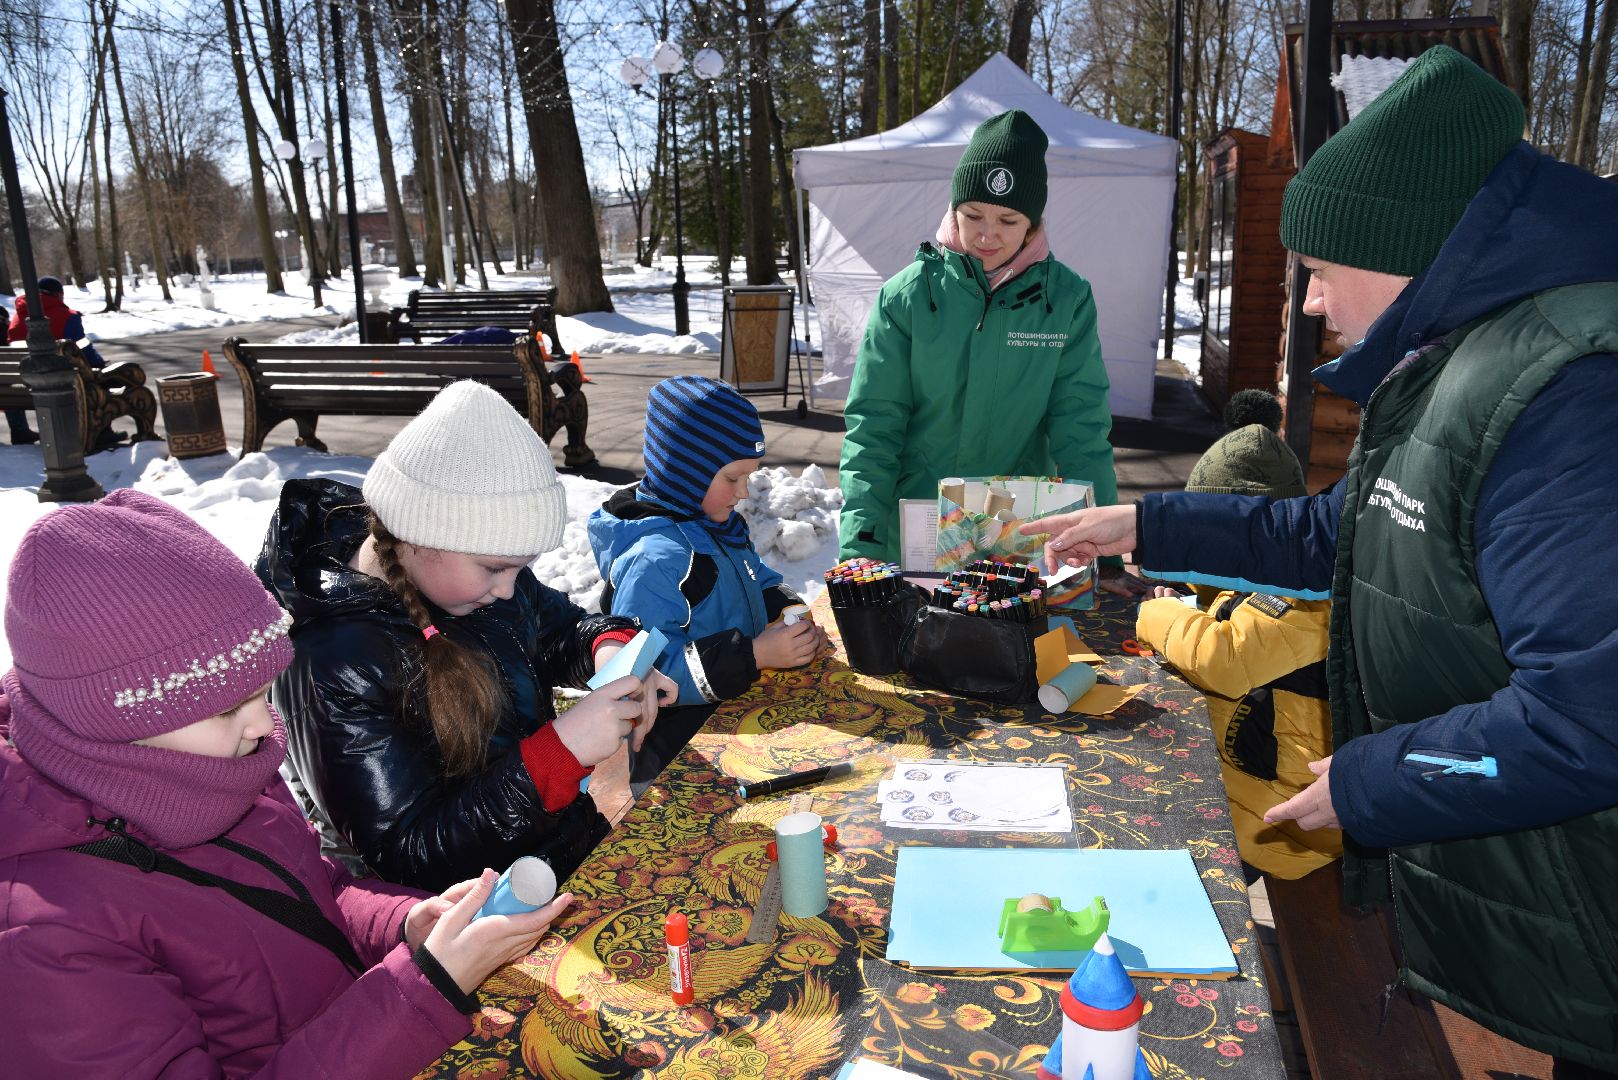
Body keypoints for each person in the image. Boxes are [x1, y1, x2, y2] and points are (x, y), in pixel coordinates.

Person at [1022, 47, 1618, 1075]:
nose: (1306, 304)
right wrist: (1145, 527)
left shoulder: (1567, 398)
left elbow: (1590, 717)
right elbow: (1333, 535)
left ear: (1405, 251)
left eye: (1320, 272)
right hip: (1492, 886)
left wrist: (1374, 781)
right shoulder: (1461, 362)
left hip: (1571, 925)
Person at [0, 489, 573, 1077]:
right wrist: (424, 989)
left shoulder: (214, 764)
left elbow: (315, 892)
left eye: (260, 691)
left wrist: (403, 924)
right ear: (116, 719)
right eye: (226, 708)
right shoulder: (41, 937)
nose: (263, 722)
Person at [258, 380, 676, 893]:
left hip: (550, 855)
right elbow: (406, 854)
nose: (508, 589)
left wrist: (609, 649)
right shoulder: (331, 659)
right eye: (495, 568)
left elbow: (556, 631)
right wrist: (555, 757)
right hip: (468, 917)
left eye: (520, 569)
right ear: (420, 533)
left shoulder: (469, 578)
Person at [837, 109, 1136, 594]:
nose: (986, 235)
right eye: (972, 214)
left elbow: (1081, 429)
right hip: (914, 533)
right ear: (953, 208)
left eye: (1007, 219)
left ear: (1034, 222)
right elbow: (874, 427)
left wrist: (1106, 552)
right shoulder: (907, 297)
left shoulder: (1065, 300)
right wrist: (860, 548)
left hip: (1014, 536)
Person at [1132, 391, 1340, 882]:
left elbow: (1222, 658)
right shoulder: (1252, 583)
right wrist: (1190, 604)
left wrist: (1156, 613)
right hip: (1260, 782)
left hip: (1285, 819)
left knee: (1151, 800)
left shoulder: (1307, 597)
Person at [588, 375, 827, 788]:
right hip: (677, 761)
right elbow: (645, 673)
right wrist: (753, 655)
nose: (744, 492)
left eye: (749, 477)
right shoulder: (656, 560)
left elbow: (758, 578)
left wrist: (789, 611)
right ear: (686, 472)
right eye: (732, 478)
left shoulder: (716, 527)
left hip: (730, 729)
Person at [7, 275, 106, 444]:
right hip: (61, 384)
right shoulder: (68, 316)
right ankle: (103, 431)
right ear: (58, 294)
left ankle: (19, 430)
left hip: (20, 387)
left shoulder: (17, 317)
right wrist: (99, 363)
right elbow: (84, 350)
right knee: (94, 378)